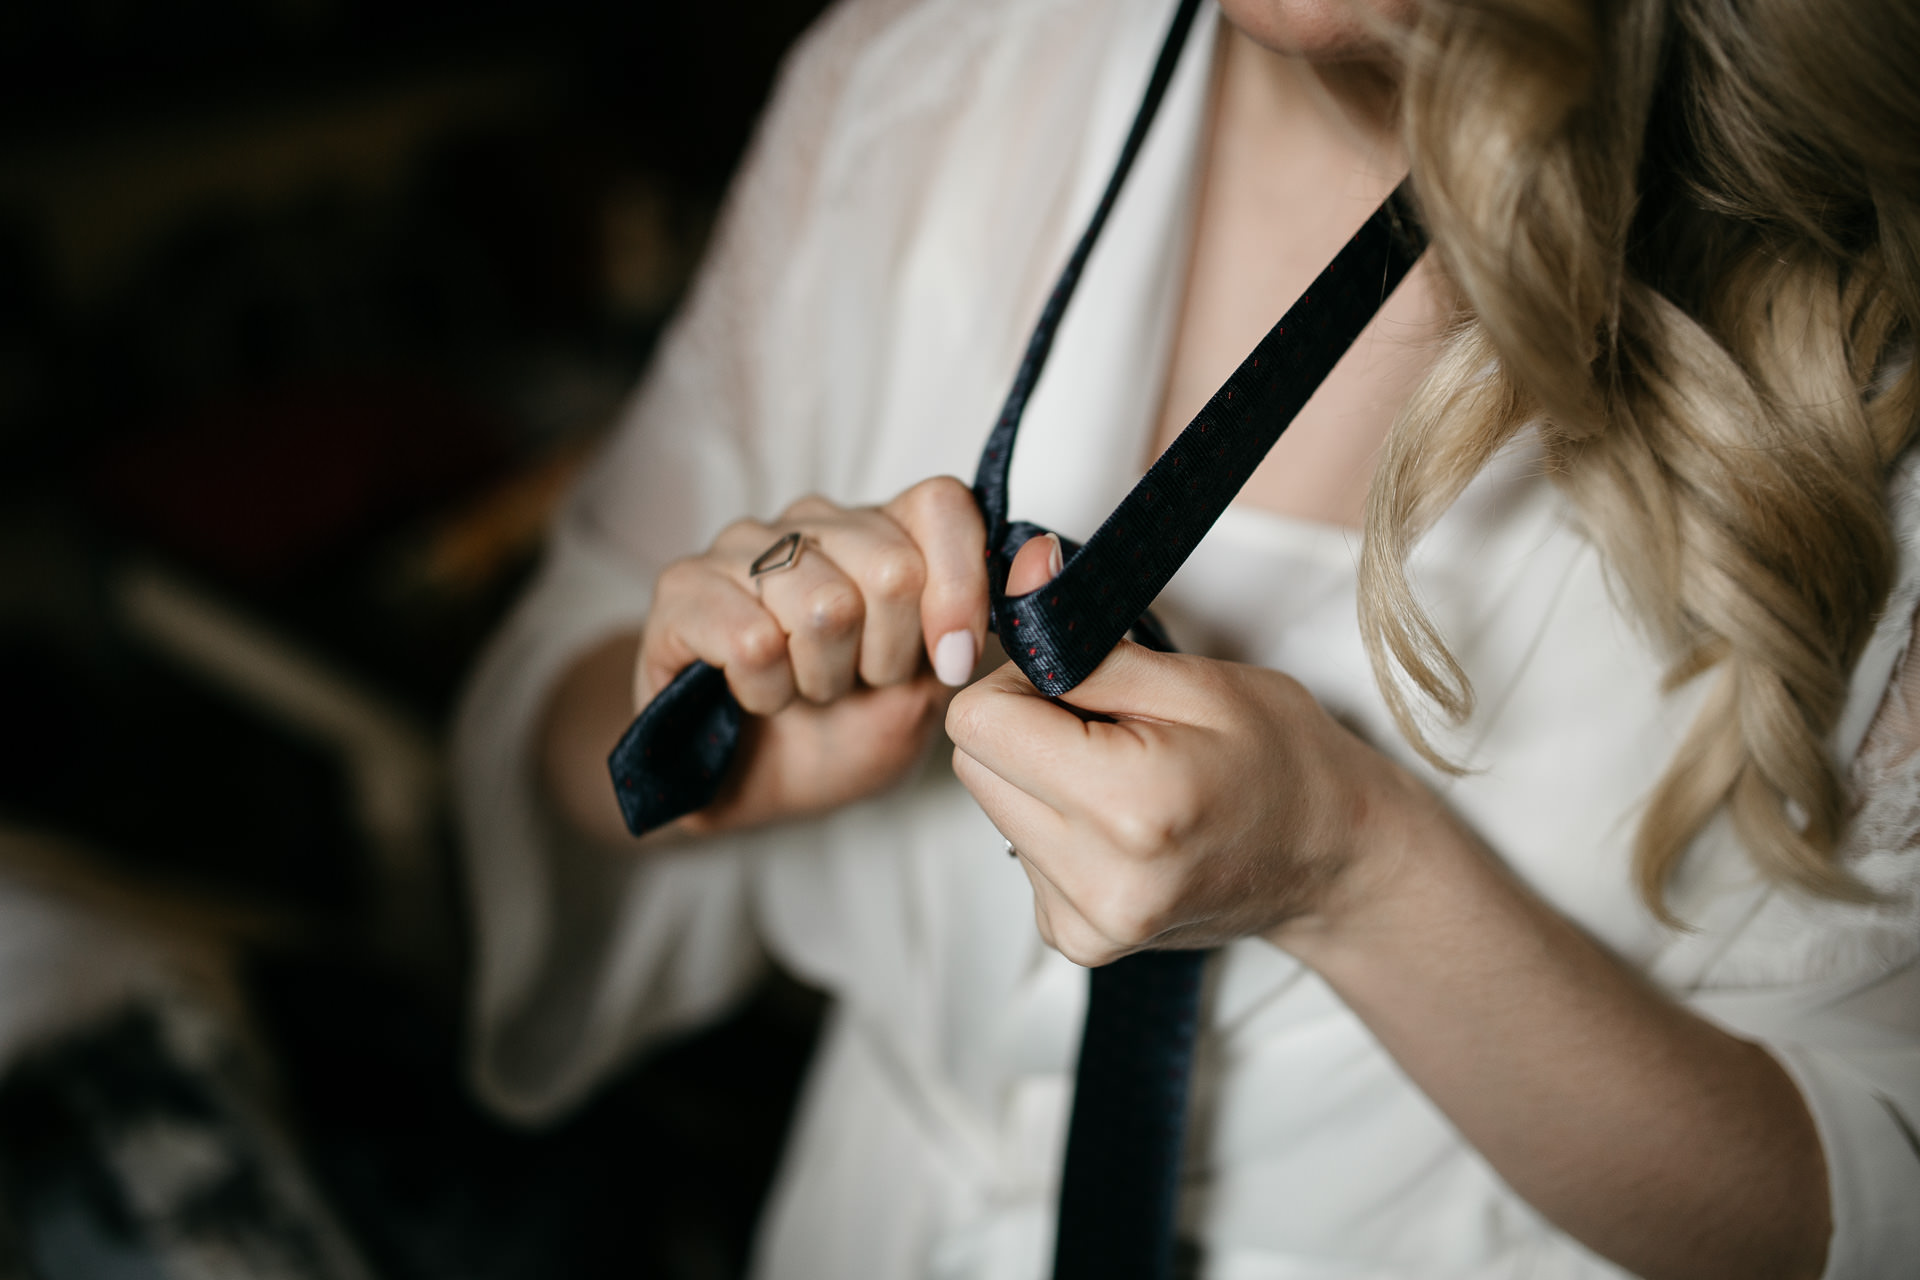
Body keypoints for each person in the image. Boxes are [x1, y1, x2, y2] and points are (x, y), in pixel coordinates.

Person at [452, 0, 1920, 1275]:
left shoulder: (1869, 329)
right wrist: (727, 725)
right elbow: (557, 728)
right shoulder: (903, 85)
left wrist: (1356, 876)